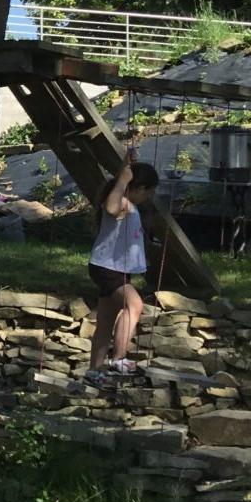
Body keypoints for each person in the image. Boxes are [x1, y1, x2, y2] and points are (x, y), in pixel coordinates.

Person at [84, 158, 160, 385]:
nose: (148, 197)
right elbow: (110, 207)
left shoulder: (128, 202)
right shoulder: (122, 202)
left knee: (106, 320)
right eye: (148, 193)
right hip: (108, 268)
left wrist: (126, 168)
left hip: (115, 268)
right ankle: (118, 358)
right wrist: (123, 179)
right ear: (139, 189)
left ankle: (94, 371)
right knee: (134, 305)